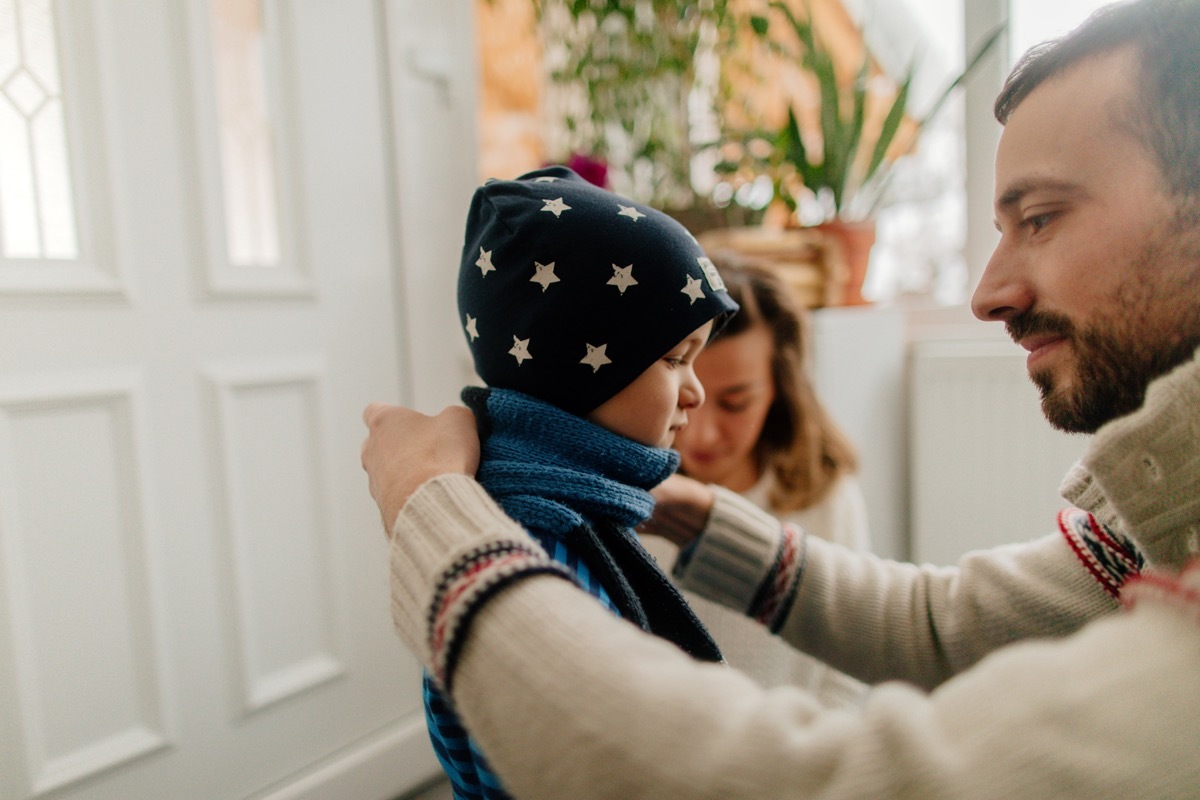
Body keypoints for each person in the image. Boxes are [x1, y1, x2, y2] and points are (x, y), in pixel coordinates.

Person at [361, 0, 1200, 796]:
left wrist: (427, 506)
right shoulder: (1149, 530)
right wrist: (691, 513)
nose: (987, 293)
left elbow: (788, 785)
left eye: (1044, 217)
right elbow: (942, 626)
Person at [418, 164, 738, 799]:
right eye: (675, 360)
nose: (696, 392)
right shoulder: (544, 539)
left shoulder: (564, 504)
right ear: (581, 367)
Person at [642, 256, 870, 702]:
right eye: (682, 393)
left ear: (780, 389)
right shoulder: (625, 493)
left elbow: (849, 665)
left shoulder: (824, 492)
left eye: (735, 403)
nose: (703, 433)